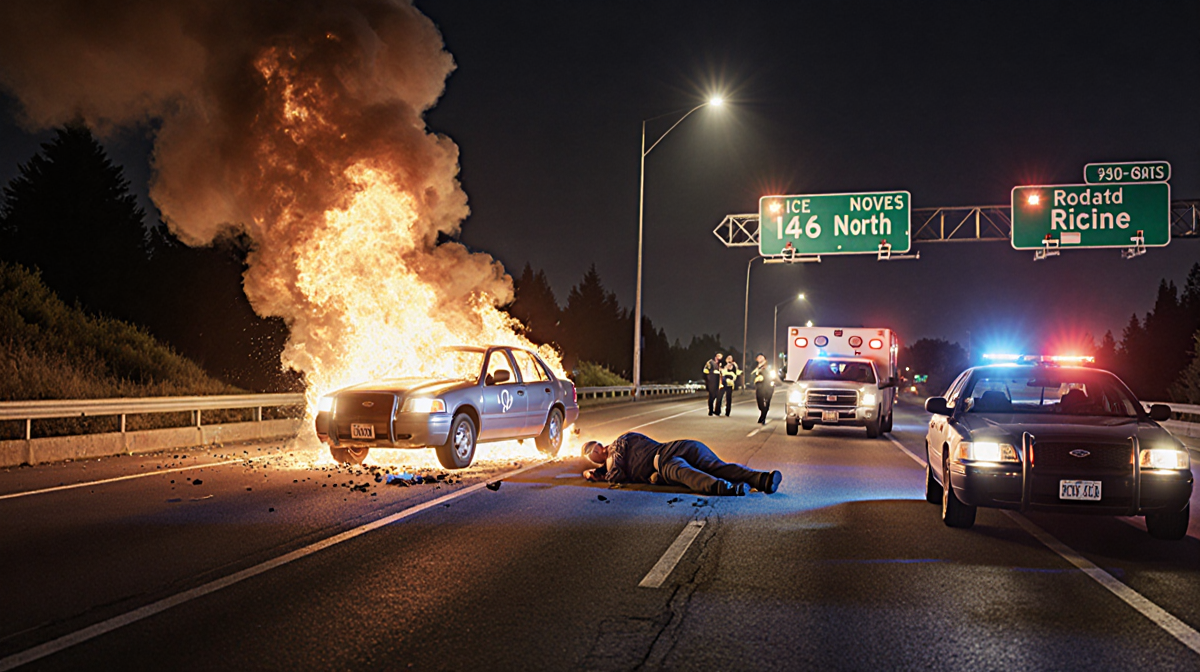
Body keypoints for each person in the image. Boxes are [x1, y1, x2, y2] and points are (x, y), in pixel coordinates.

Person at [582, 432, 782, 496]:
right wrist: (597, 472)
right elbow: (614, 469)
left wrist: (595, 475)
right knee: (717, 466)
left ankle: (727, 488)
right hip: (681, 446)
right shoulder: (625, 439)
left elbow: (615, 474)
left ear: (597, 450)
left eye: (592, 457)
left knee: (688, 475)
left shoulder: (616, 448)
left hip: (663, 461)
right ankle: (761, 478)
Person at [751, 353, 774, 424]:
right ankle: (763, 413)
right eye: (758, 357)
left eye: (761, 357)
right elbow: (752, 375)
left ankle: (763, 417)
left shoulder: (769, 366)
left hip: (768, 385)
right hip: (759, 386)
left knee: (767, 402)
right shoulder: (755, 367)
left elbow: (772, 375)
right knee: (760, 402)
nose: (760, 358)